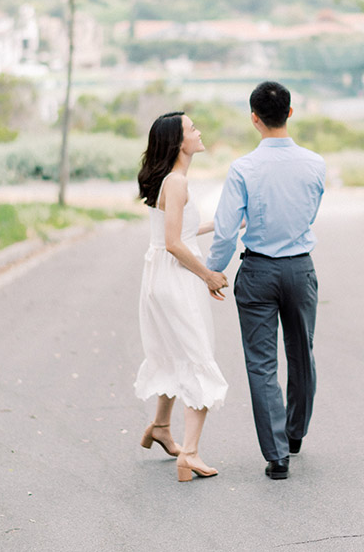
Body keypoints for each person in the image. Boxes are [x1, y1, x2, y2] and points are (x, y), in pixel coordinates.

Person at [206, 81, 326, 480]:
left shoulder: (243, 168)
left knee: (262, 364)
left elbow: (225, 231)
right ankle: (295, 434)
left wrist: (213, 270)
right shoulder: (315, 164)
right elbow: (309, 212)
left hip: (258, 270)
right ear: (290, 113)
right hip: (300, 267)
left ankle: (277, 457)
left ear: (254, 119)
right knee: (301, 354)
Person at [134, 111, 229, 482]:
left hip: (161, 276)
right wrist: (208, 276)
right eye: (192, 129)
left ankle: (160, 426)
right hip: (176, 279)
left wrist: (220, 224)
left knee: (174, 353)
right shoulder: (176, 182)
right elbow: (174, 244)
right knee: (196, 357)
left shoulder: (171, 181)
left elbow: (177, 232)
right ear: (178, 142)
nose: (199, 131)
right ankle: (189, 454)